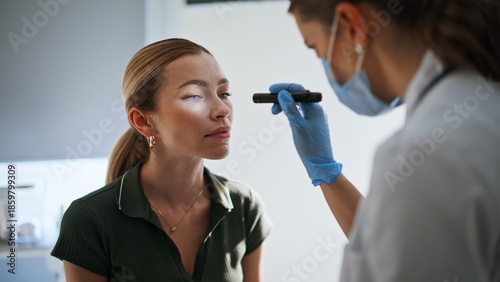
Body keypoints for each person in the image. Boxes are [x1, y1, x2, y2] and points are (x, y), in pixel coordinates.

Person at [270, 0, 500, 281]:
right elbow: (402, 242)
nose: (328, 69)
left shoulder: (424, 150)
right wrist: (327, 173)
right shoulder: (479, 102)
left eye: (316, 48)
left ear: (352, 24)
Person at [51, 38, 272, 282]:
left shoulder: (244, 206)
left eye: (224, 93)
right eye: (194, 96)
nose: (222, 109)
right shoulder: (89, 220)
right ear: (143, 122)